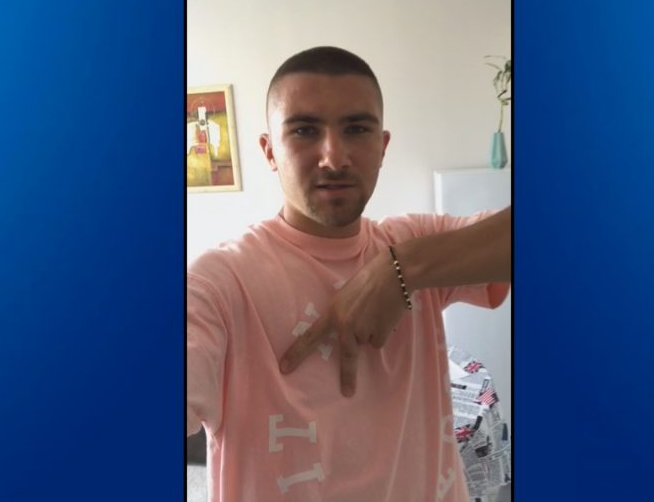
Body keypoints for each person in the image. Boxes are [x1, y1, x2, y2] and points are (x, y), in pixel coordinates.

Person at [186, 46, 511, 501]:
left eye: (356, 129)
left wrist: (402, 269)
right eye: (304, 130)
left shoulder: (416, 240)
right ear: (269, 150)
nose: (334, 158)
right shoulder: (217, 283)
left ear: (383, 147)